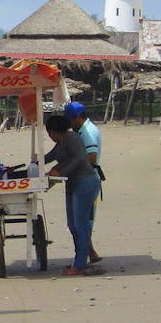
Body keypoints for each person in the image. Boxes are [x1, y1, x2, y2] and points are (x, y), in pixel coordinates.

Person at [44, 115, 102, 276]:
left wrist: (59, 172)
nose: (50, 136)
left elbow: (79, 159)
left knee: (80, 225)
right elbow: (50, 156)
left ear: (54, 131)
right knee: (72, 224)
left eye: (49, 133)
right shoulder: (61, 143)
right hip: (72, 183)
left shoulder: (72, 138)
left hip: (85, 183)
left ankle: (80, 264)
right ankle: (80, 259)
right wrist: (34, 164)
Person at [64, 101, 103, 264]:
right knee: (82, 220)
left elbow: (91, 156)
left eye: (71, 120)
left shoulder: (87, 132)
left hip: (87, 179)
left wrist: (71, 164)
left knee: (82, 222)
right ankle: (91, 252)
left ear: (78, 117)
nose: (70, 124)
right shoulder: (83, 129)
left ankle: (81, 262)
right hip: (85, 178)